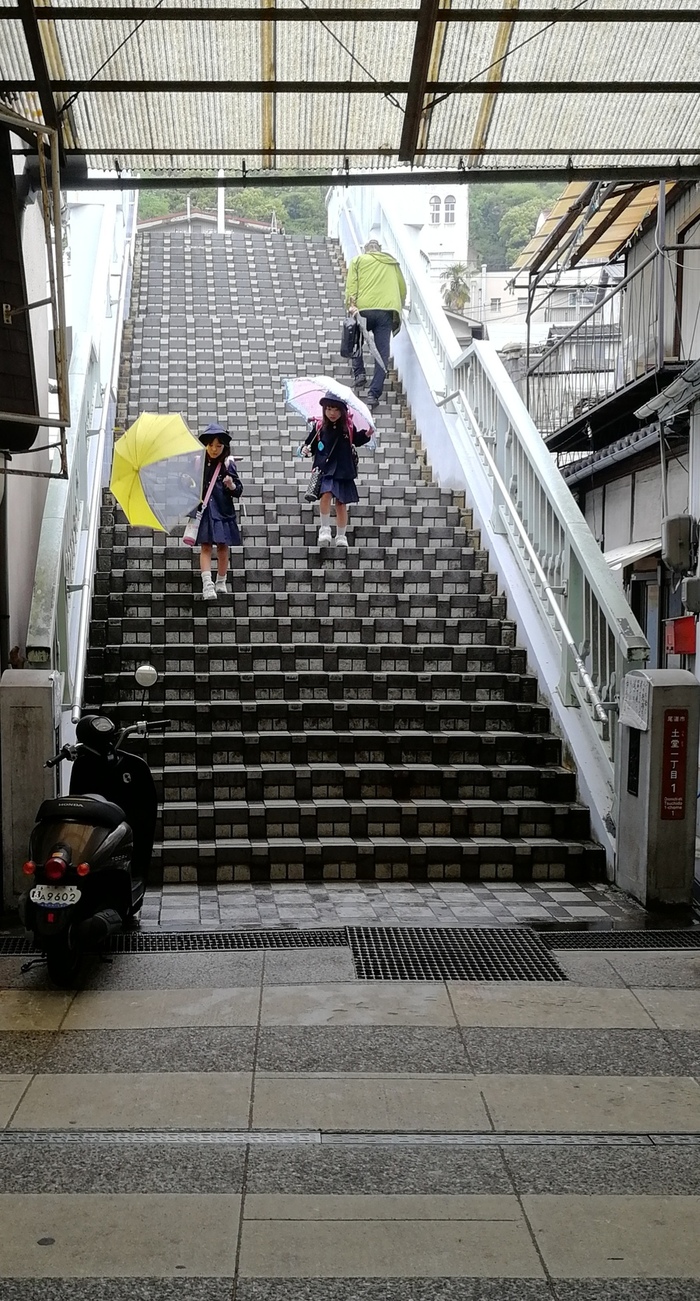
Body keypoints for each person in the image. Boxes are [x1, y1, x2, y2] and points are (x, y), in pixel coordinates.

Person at [302, 392, 372, 547]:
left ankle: (341, 536)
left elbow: (358, 440)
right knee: (326, 494)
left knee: (341, 503)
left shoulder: (348, 426)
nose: (332, 413)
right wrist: (305, 450)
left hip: (343, 470)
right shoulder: (319, 426)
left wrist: (367, 434)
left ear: (342, 410)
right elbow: (310, 445)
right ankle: (325, 529)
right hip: (325, 469)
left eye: (336, 409)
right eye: (328, 409)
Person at [344, 237, 407, 410]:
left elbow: (351, 286)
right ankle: (373, 394)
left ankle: (359, 373)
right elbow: (403, 289)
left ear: (366, 250)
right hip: (385, 312)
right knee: (382, 352)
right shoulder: (392, 263)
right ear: (379, 250)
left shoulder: (358, 260)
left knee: (355, 342)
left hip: (362, 309)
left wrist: (350, 304)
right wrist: (399, 305)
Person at [190, 423, 243, 600]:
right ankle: (207, 584)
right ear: (205, 445)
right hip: (205, 510)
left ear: (224, 447)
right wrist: (185, 480)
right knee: (205, 546)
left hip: (223, 511)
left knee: (222, 546)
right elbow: (191, 487)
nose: (214, 449)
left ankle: (221, 581)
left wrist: (231, 485)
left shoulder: (228, 464)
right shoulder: (198, 462)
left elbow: (238, 490)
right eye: (211, 445)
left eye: (218, 446)